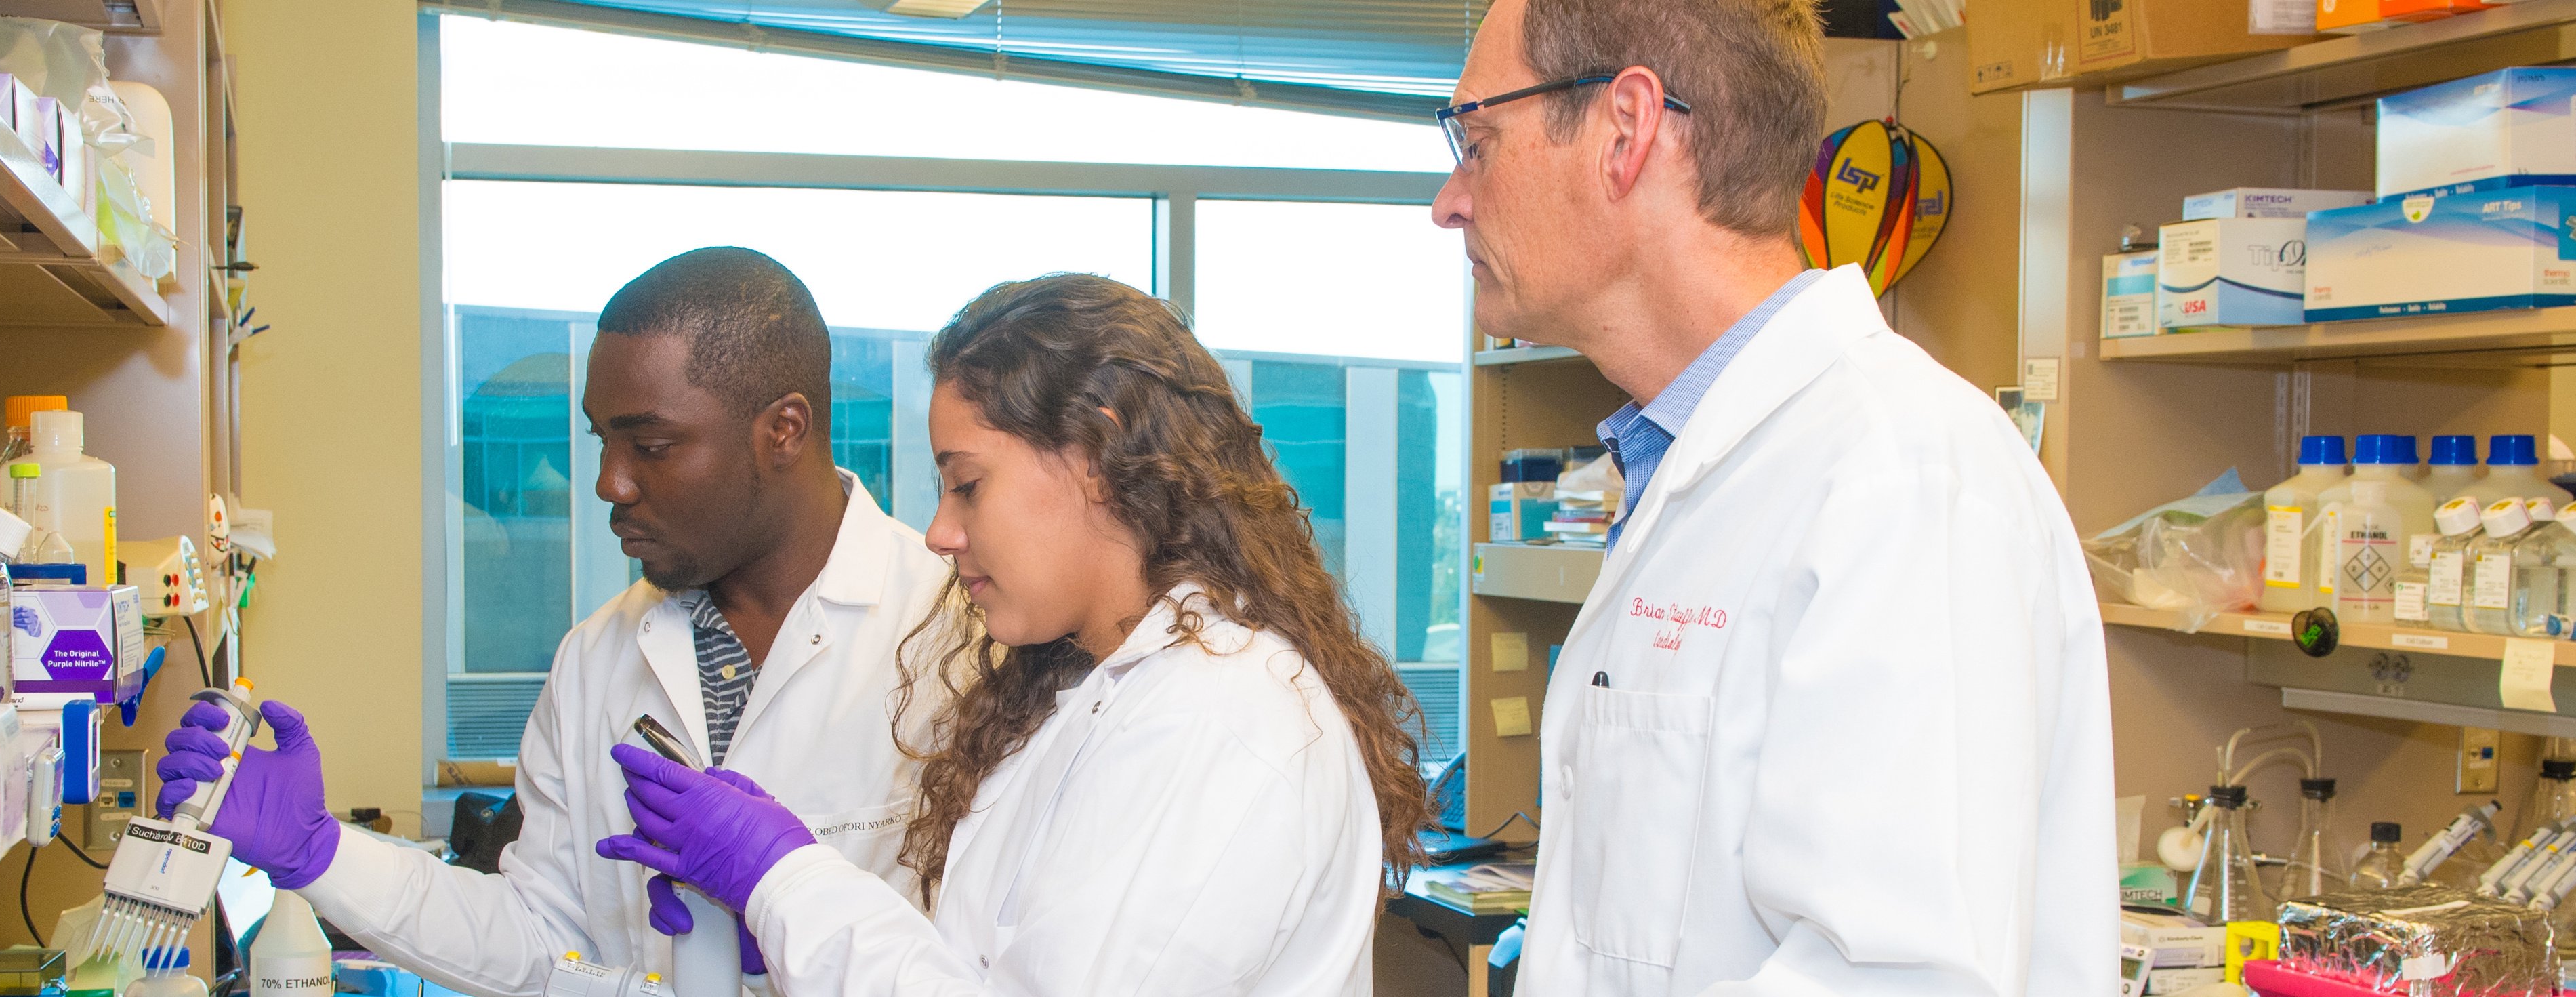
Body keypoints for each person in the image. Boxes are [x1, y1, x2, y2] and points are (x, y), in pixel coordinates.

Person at [1428, 1, 2115, 994]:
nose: (1449, 200)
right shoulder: (1689, 462)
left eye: (1480, 141)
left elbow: (1901, 976)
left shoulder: (1901, 478)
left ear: (1626, 129)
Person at [591, 274, 1432, 996]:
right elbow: (984, 971)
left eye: (967, 484)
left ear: (1094, 453)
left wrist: (783, 879)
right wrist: (779, 922)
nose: (939, 532)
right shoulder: (1099, 693)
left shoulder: (1218, 715)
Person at [152, 247, 953, 991]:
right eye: (603, 440)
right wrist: (320, 854)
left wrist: (790, 912)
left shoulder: (959, 635)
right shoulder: (596, 659)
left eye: (653, 445)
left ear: (783, 430)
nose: (609, 483)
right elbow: (541, 942)